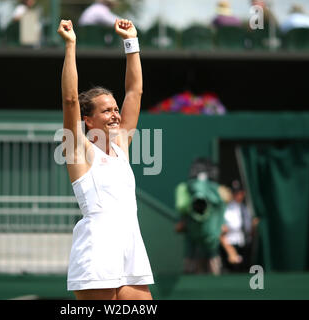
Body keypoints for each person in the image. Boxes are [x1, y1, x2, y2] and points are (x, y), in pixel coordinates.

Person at [57, 18, 154, 300]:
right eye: (106, 111)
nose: (115, 114)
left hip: (130, 247)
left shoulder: (122, 143)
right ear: (87, 120)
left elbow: (135, 92)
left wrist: (131, 42)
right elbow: (70, 100)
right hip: (97, 250)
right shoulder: (79, 149)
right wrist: (71, 45)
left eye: (115, 108)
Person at [174, 158, 227, 275]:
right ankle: (189, 272)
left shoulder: (216, 192)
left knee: (212, 255)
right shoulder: (186, 190)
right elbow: (182, 207)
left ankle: (215, 275)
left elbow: (221, 207)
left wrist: (222, 224)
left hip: (211, 237)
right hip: (193, 235)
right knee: (191, 256)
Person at [220, 180, 259, 273]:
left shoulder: (245, 209)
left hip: (245, 246)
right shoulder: (226, 209)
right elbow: (221, 232)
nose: (237, 195)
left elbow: (249, 229)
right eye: (235, 193)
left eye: (239, 193)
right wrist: (230, 251)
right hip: (231, 247)